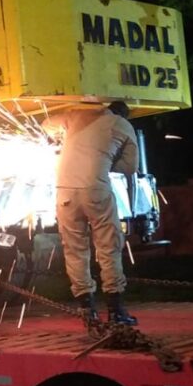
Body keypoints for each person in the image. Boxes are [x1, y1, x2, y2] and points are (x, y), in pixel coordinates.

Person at [42, 101, 139, 326]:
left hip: (64, 192)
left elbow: (46, 123)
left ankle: (88, 312)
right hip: (96, 190)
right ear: (123, 114)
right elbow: (130, 167)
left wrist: (60, 140)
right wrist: (106, 161)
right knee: (108, 247)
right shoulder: (121, 124)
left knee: (75, 250)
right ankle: (116, 312)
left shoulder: (74, 115)